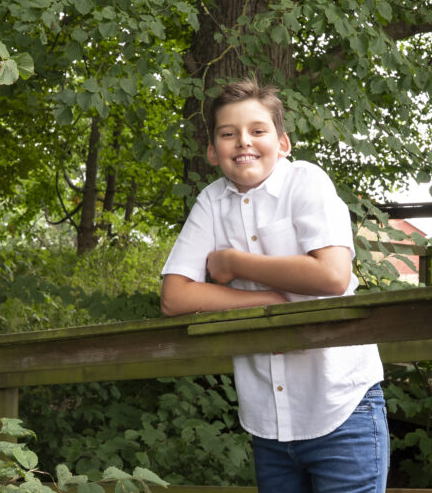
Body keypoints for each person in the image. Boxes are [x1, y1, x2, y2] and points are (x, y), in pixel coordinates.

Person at [160, 78, 388, 493]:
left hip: (341, 403)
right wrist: (264, 301)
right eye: (228, 134)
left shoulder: (306, 181)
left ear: (282, 143)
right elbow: (175, 296)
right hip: (267, 416)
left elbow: (332, 275)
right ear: (212, 151)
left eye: (257, 130)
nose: (243, 141)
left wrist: (234, 262)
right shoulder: (211, 201)